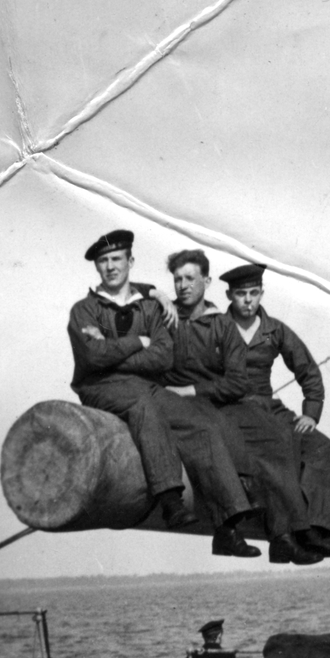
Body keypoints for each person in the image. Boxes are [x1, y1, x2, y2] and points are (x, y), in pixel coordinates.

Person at [68, 230, 261, 557]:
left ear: (130, 261)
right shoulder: (85, 310)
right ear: (97, 267)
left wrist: (115, 351)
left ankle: (227, 526)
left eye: (116, 259)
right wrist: (137, 341)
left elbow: (162, 356)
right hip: (101, 387)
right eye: (103, 261)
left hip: (146, 385)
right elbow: (92, 357)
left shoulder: (149, 307)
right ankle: (171, 500)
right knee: (144, 407)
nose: (110, 267)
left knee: (199, 422)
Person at [160, 249, 324, 565]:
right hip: (194, 406)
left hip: (223, 400)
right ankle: (278, 535)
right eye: (177, 279)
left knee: (280, 440)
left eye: (190, 278)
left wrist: (194, 389)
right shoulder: (163, 316)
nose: (183, 286)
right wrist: (156, 294)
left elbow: (236, 382)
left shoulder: (221, 324)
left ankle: (288, 535)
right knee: (249, 444)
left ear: (206, 282)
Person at [220, 262, 330, 557]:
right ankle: (287, 536)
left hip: (268, 405)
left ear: (262, 293)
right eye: (241, 294)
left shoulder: (274, 330)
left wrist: (311, 413)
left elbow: (308, 371)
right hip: (232, 408)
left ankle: (316, 528)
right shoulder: (215, 329)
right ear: (229, 295)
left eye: (254, 293)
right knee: (278, 445)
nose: (248, 301)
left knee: (321, 446)